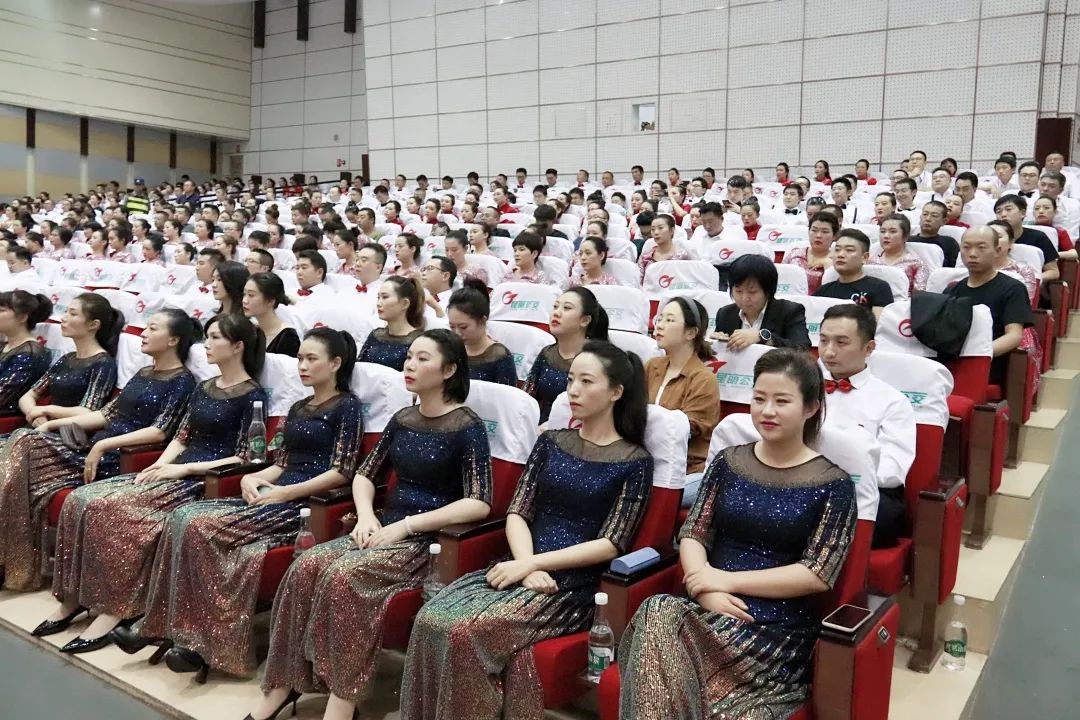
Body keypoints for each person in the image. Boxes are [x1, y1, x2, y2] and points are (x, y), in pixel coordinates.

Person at [401, 341, 654, 719]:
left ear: (616, 392)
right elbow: (518, 511)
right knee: (430, 618)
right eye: (571, 380)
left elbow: (610, 543)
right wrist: (525, 564)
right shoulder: (551, 441)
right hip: (519, 565)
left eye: (586, 382)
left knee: (464, 631)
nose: (573, 390)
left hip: (569, 588)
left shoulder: (635, 461)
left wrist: (533, 565)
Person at [254, 330, 493, 720]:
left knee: (344, 577)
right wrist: (366, 515)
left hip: (426, 541)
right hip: (381, 528)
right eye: (409, 357)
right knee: (306, 567)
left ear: (449, 370)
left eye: (422, 359)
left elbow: (478, 502)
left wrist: (408, 526)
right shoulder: (403, 419)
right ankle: (282, 686)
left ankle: (342, 703)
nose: (409, 365)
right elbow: (365, 474)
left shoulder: (467, 426)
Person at [618, 348, 856, 718]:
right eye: (759, 399)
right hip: (706, 607)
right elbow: (694, 533)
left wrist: (725, 580)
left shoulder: (834, 484)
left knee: (662, 623)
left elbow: (817, 573)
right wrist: (705, 587)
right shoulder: (728, 462)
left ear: (810, 408)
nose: (767, 411)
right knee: (658, 609)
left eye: (782, 401)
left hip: (772, 630)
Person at [115, 328, 362, 681]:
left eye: (312, 359)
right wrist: (254, 478)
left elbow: (342, 471)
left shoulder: (347, 407)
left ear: (335, 364)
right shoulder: (298, 407)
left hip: (303, 503)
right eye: (300, 359)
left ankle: (198, 639)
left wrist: (285, 493)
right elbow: (281, 463)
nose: (303, 366)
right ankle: (165, 625)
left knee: (200, 526)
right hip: (272, 493)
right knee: (183, 518)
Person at [40, 315, 267, 653]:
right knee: (82, 499)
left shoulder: (252, 394)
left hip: (202, 479)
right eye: (206, 336)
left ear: (237, 347)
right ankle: (75, 598)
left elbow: (247, 456)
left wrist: (183, 469)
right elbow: (182, 436)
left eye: (215, 337)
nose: (206, 344)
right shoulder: (204, 387)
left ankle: (116, 608)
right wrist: (160, 464)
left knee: (118, 511)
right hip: (173, 469)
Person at [0, 310, 199, 591]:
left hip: (117, 456)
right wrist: (53, 424)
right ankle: (12, 560)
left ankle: (15, 562)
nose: (143, 334)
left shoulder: (182, 381)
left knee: (23, 444)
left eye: (153, 329)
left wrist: (104, 444)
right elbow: (107, 414)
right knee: (22, 449)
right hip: (91, 448)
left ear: (173, 340)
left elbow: (160, 431)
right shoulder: (143, 373)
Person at [818, 305, 914, 548]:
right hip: (804, 479)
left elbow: (893, 469)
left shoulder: (892, 401)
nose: (829, 351)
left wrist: (837, 476)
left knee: (881, 516)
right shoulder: (803, 389)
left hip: (862, 488)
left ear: (869, 348)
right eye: (823, 341)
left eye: (841, 342)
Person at [15, 293, 120, 428]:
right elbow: (28, 396)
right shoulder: (67, 358)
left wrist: (47, 410)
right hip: (41, 425)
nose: (63, 318)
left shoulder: (103, 363)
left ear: (93, 324)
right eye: (65, 312)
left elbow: (88, 411)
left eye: (73, 314)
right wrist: (34, 413)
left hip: (68, 430)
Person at [946, 226, 1033, 386]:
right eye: (966, 247)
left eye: (981, 247)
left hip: (988, 364)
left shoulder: (1013, 288)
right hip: (950, 361)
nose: (972, 253)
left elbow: (1014, 336)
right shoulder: (952, 289)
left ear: (997, 250)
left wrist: (977, 355)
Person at [648, 297, 720, 474]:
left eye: (670, 320)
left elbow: (684, 431)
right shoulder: (652, 366)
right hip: (647, 459)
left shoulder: (704, 379)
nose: (660, 325)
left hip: (685, 468)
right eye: (660, 319)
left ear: (691, 333)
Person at [526, 287, 609, 423]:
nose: (557, 313)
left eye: (567, 308)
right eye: (555, 306)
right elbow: (528, 398)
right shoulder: (547, 353)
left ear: (585, 320)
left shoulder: (598, 359)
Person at [713, 255, 811, 350]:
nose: (744, 298)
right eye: (738, 291)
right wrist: (715, 343)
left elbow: (802, 349)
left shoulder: (789, 311)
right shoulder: (725, 314)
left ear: (768, 291)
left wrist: (763, 337)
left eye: (752, 292)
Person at [446, 281, 518, 385]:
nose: (457, 333)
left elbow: (508, 393)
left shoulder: (499, 356)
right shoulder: (450, 350)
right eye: (452, 327)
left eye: (463, 327)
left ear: (482, 321)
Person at [815, 228, 894, 315]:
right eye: (837, 249)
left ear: (864, 257)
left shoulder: (879, 288)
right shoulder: (823, 291)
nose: (840, 255)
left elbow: (879, 322)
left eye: (849, 250)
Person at [0, 291, 54, 412]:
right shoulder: (4, 346)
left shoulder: (31, 353)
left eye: (1, 310)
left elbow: (3, 395)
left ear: (22, 317)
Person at [358, 275, 425, 370]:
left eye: (385, 297)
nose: (378, 303)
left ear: (405, 303)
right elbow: (359, 367)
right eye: (378, 297)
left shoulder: (419, 341)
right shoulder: (375, 335)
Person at [993, 194, 1060, 283]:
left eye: (1008, 209)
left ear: (1023, 213)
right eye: (999, 211)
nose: (1003, 214)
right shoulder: (990, 237)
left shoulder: (1038, 237)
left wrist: (1029, 280)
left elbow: (1053, 272)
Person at [868, 214, 929, 294]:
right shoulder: (869, 262)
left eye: (892, 231)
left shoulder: (916, 264)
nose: (886, 236)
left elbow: (919, 296)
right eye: (883, 231)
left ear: (905, 236)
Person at [243, 272, 301, 357]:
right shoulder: (250, 330)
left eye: (251, 295)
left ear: (270, 301)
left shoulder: (288, 336)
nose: (244, 300)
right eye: (244, 294)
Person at [782, 213, 837, 293]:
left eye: (825, 232)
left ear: (834, 236)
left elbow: (834, 291)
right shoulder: (795, 254)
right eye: (814, 230)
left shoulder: (837, 260)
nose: (818, 235)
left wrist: (829, 267)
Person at [638, 214, 693, 280]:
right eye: (653, 229)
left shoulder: (682, 256)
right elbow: (640, 280)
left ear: (672, 230)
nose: (656, 232)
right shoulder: (646, 257)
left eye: (660, 228)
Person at [909, 200, 959, 267]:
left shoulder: (949, 243)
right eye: (925, 214)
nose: (928, 219)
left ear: (944, 221)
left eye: (934, 216)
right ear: (920, 217)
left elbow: (954, 269)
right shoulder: (908, 241)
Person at [1032, 195, 1077, 261]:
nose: (1041, 211)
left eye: (1046, 208)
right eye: (1037, 208)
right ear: (1033, 213)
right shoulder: (1025, 230)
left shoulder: (1060, 233)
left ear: (1055, 212)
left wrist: (1051, 255)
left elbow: (1074, 254)